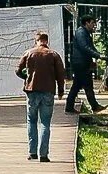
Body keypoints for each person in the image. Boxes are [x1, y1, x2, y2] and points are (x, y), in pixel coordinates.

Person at [15, 30, 67, 161]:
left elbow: (17, 70)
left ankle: (32, 153)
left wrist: (26, 78)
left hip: (32, 91)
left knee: (31, 121)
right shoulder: (54, 55)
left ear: (36, 41)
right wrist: (61, 91)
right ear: (47, 41)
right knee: (45, 123)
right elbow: (61, 74)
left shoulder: (29, 53)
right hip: (48, 91)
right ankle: (43, 155)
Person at [66, 15, 101, 115]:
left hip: (83, 62)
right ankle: (94, 106)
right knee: (87, 85)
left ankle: (69, 107)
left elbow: (91, 47)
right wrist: (98, 55)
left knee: (78, 85)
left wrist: (98, 55)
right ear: (87, 23)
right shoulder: (81, 32)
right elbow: (84, 47)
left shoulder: (85, 33)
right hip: (80, 63)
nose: (94, 25)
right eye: (93, 23)